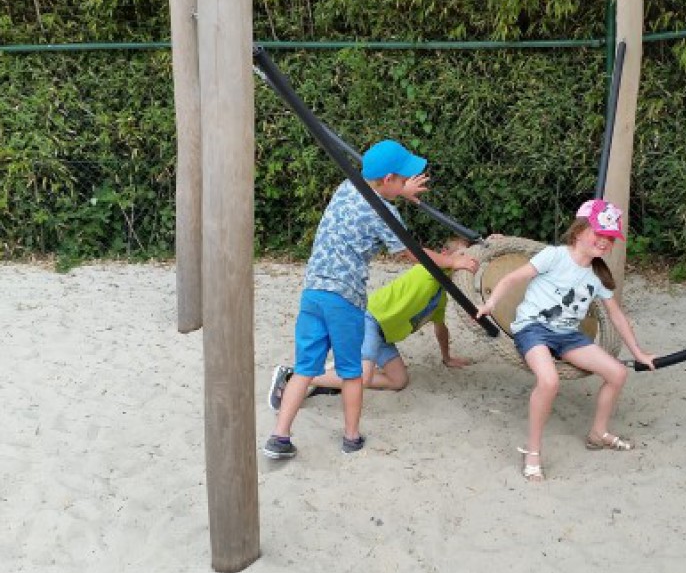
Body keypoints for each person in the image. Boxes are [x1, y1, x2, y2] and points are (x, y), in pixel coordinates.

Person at [263, 139, 478, 460]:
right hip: (345, 299)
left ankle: (279, 437)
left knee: (307, 367)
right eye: (404, 179)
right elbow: (413, 252)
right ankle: (351, 436)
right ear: (389, 178)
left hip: (313, 292)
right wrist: (454, 262)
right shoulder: (385, 215)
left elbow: (377, 190)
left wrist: (400, 193)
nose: (408, 183)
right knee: (352, 373)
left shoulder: (346, 187)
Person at [476, 199, 656, 482]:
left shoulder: (597, 274)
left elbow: (617, 316)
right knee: (549, 381)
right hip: (533, 329)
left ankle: (598, 432)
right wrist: (492, 303)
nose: (605, 242)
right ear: (579, 232)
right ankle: (533, 451)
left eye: (610, 238)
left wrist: (638, 352)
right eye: (599, 233)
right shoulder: (555, 256)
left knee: (618, 373)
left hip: (568, 336)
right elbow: (512, 278)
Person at [267, 236, 481, 406]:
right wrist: (456, 260)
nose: (466, 261)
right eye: (461, 255)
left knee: (399, 381)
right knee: (365, 377)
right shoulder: (426, 271)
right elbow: (421, 254)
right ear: (444, 255)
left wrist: (447, 357)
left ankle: (334, 379)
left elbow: (440, 327)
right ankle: (297, 376)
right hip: (371, 319)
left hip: (384, 334)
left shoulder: (440, 295)